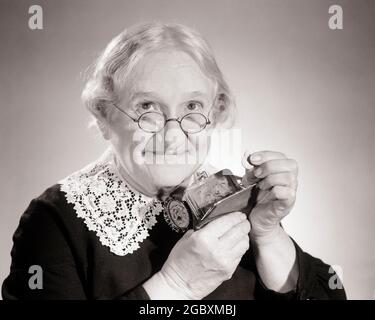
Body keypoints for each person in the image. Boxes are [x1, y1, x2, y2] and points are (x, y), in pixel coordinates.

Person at [2, 22, 346, 300]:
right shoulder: (53, 221)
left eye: (192, 108)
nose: (171, 136)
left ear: (217, 111)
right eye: (146, 108)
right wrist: (176, 286)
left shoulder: (233, 198)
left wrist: (268, 236)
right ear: (105, 116)